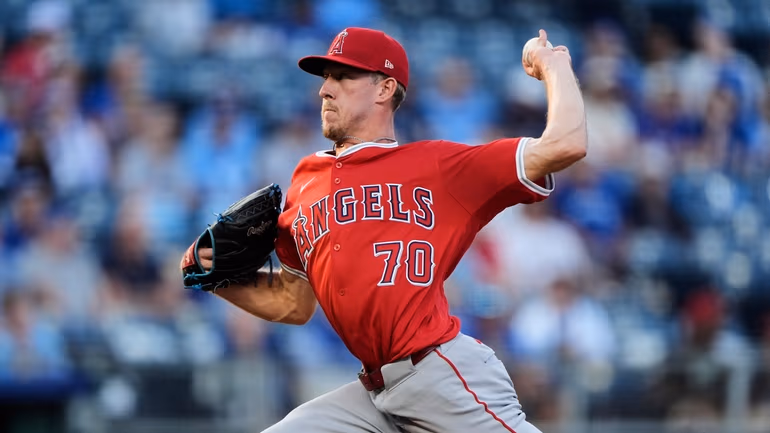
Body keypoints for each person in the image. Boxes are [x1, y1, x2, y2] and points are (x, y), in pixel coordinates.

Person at [182, 26, 586, 432]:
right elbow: (293, 302)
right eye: (325, 77)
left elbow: (565, 143)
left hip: (440, 375)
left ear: (384, 88)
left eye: (342, 76)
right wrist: (216, 278)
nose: (325, 89)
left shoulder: (439, 167)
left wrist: (554, 65)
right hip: (375, 393)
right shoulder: (304, 181)